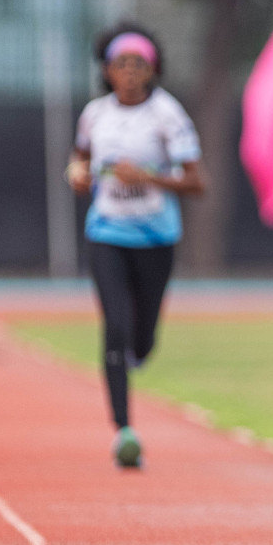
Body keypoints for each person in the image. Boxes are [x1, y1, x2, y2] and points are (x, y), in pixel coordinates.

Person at [66, 23, 207, 468]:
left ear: (152, 70)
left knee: (142, 339)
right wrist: (77, 173)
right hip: (107, 233)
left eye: (138, 64)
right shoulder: (94, 115)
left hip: (155, 237)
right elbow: (81, 159)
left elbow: (196, 182)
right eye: (120, 64)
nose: (128, 73)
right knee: (115, 327)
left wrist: (147, 177)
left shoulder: (168, 115)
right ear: (106, 72)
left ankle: (139, 350)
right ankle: (124, 429)